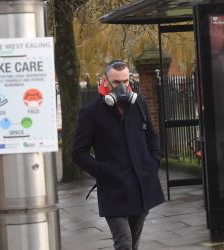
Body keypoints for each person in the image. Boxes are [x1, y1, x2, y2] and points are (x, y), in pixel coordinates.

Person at [72, 60, 165, 250]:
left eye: (125, 80)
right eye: (116, 82)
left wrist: (152, 163)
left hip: (141, 185)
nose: (122, 86)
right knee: (124, 242)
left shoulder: (139, 103)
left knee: (133, 243)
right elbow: (78, 153)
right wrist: (105, 171)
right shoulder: (90, 113)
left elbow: (152, 137)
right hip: (113, 189)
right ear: (104, 81)